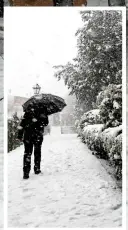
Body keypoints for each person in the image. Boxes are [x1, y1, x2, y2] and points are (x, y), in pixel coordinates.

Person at [17, 105, 49, 179]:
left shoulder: (28, 112)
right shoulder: (43, 110)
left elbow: (22, 124)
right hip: (37, 136)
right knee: (37, 153)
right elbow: (46, 123)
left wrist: (20, 135)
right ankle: (36, 169)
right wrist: (40, 119)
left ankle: (26, 173)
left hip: (28, 136)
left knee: (27, 154)